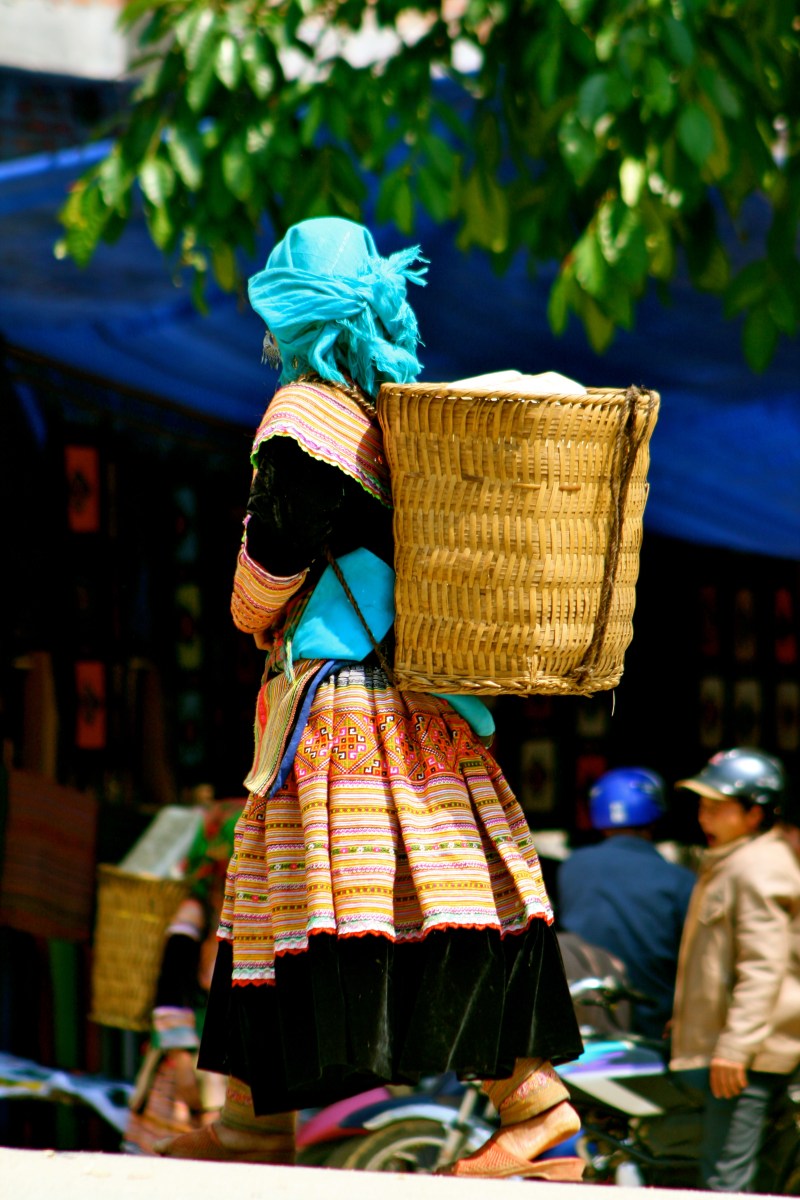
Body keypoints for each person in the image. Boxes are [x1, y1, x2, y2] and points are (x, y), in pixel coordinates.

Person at [153, 217, 584, 1178]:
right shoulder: (401, 417)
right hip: (425, 700)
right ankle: (254, 1122)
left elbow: (273, 556)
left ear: (291, 317)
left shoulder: (306, 417)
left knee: (365, 909)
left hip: (345, 710)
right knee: (412, 898)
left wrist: (245, 606)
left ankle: (535, 1110)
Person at [670, 747, 800, 1192]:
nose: (705, 817)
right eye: (703, 805)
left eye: (717, 806)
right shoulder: (733, 862)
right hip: (735, 1051)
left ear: (754, 813)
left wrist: (736, 1047)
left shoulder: (758, 867)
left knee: (727, 1181)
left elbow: (764, 968)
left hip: (747, 1059)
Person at [124, 801, 241, 1154]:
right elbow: (170, 990)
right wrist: (184, 1062)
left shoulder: (251, 915)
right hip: (185, 1062)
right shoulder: (195, 913)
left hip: (226, 1067)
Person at [557, 767, 695, 1039]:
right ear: (656, 815)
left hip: (586, 1017)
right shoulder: (681, 880)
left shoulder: (572, 867)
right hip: (654, 1027)